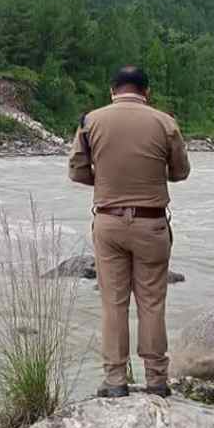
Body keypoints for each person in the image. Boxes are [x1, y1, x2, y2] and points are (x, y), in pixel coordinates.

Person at [69, 66, 191, 399]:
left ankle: (114, 380)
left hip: (108, 221)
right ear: (145, 92)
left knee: (113, 303)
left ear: (112, 90)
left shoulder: (90, 121)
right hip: (151, 223)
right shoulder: (165, 122)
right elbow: (181, 172)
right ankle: (156, 380)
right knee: (152, 303)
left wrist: (108, 183)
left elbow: (77, 172)